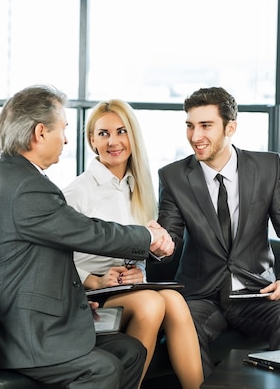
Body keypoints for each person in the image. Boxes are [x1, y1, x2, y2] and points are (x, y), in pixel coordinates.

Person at [0, 85, 174, 389]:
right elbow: (90, 232)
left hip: (38, 316)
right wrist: (147, 236)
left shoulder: (16, 176)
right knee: (103, 369)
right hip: (24, 334)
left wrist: (75, 300)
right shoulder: (27, 187)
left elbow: (47, 255)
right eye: (63, 129)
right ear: (41, 132)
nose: (66, 139)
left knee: (131, 352)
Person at [157, 86, 280, 377]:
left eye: (205, 126)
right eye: (190, 126)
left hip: (256, 292)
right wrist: (158, 244)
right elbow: (171, 237)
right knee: (183, 324)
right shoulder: (173, 176)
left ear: (231, 127)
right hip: (201, 296)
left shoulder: (268, 167)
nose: (195, 136)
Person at [63, 99, 203, 389]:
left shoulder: (138, 190)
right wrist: (95, 280)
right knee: (151, 303)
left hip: (125, 290)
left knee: (174, 301)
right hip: (88, 298)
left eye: (121, 131)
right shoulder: (77, 192)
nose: (113, 141)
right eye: (103, 133)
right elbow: (54, 259)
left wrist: (140, 271)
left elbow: (135, 253)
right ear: (92, 141)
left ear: (132, 137)